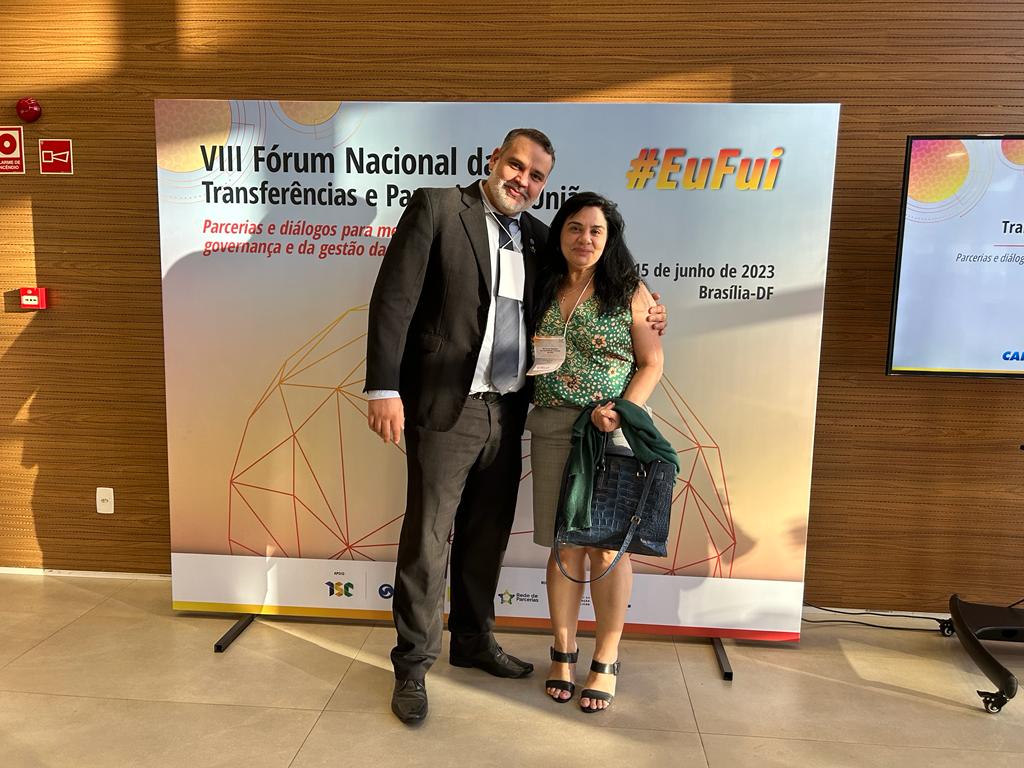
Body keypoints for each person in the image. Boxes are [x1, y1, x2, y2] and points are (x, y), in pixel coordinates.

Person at [365, 130, 665, 725]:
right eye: (516, 166)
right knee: (428, 538)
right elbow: (393, 299)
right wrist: (383, 388)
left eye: (536, 175)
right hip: (445, 407)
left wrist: (651, 307)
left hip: (508, 410)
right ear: (493, 160)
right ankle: (413, 666)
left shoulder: (538, 237)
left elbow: (598, 279)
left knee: (487, 533)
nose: (522, 180)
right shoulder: (437, 207)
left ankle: (473, 641)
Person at [526, 191, 664, 713]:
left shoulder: (629, 290)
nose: (584, 239)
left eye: (596, 231)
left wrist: (622, 412)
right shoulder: (542, 283)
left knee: (606, 548)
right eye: (575, 228)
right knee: (564, 546)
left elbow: (651, 362)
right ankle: (563, 653)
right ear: (560, 233)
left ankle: (606, 657)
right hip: (552, 426)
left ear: (609, 239)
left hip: (611, 431)